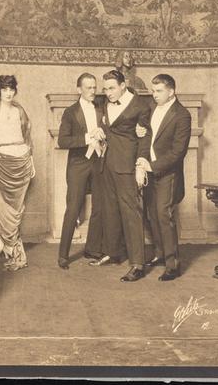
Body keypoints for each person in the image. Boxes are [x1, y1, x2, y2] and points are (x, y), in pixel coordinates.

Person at [136, 74, 192, 281]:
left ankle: (172, 264)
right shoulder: (151, 107)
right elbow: (145, 137)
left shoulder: (182, 115)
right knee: (151, 213)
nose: (154, 95)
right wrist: (142, 162)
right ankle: (160, 254)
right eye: (153, 91)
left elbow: (178, 152)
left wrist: (152, 166)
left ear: (171, 91)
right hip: (149, 170)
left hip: (168, 173)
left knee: (163, 214)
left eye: (159, 91)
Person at [97, 69, 151, 281]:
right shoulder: (105, 103)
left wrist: (140, 164)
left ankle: (138, 264)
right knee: (110, 209)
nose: (108, 93)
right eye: (105, 89)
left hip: (128, 165)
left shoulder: (140, 106)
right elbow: (109, 128)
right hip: (108, 163)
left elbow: (145, 137)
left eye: (111, 88)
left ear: (123, 86)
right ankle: (114, 253)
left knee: (131, 213)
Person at [0, 75, 35, 271]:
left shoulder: (20, 110)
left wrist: (30, 158)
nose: (8, 93)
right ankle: (11, 248)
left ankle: (5, 244)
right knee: (2, 208)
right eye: (4, 89)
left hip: (21, 162)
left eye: (11, 89)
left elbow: (27, 136)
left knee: (16, 208)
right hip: (1, 162)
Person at [56, 73, 106, 269]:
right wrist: (87, 137)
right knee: (73, 208)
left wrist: (103, 136)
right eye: (88, 88)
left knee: (99, 207)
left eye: (94, 87)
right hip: (78, 164)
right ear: (79, 89)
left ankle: (92, 248)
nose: (93, 91)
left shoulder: (102, 108)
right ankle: (63, 255)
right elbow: (63, 141)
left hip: (99, 162)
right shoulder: (70, 112)